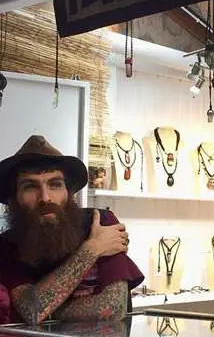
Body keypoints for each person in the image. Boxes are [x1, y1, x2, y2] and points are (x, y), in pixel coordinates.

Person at [0, 135, 143, 324]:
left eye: (55, 184)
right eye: (30, 187)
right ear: (15, 198)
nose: (45, 197)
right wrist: (92, 249)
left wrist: (46, 311)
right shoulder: (7, 244)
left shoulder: (100, 222)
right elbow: (32, 311)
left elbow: (112, 308)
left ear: (69, 192)